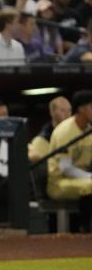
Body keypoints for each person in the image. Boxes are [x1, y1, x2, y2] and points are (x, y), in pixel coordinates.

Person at [46, 90, 92, 231]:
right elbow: (65, 168)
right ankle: (85, 231)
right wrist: (90, 176)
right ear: (81, 109)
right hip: (59, 181)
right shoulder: (65, 131)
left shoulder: (89, 129)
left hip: (82, 177)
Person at [30, 96, 72, 163]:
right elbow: (41, 168)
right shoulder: (42, 140)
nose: (67, 114)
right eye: (62, 110)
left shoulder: (76, 133)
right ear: (52, 113)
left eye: (69, 110)